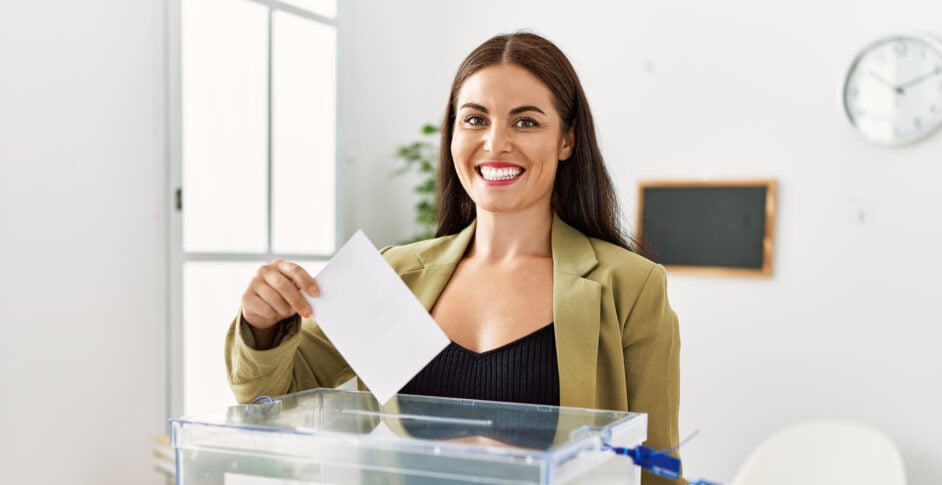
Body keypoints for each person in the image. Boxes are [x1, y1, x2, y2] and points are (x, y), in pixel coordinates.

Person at [226, 31, 683, 484]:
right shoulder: (393, 275)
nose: (495, 143)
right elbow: (267, 400)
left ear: (567, 140)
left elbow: (656, 471)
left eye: (525, 122)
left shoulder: (630, 286)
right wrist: (262, 324)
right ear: (452, 135)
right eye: (475, 119)